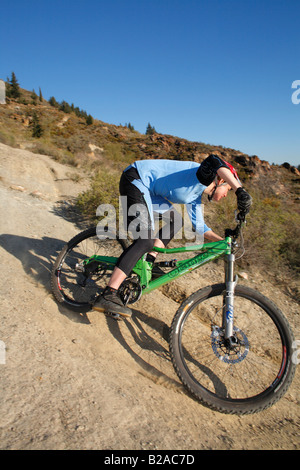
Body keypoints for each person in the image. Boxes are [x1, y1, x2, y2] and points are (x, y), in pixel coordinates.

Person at [92, 154, 252, 317]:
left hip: (150, 192)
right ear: (220, 180)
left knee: (177, 221)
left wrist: (224, 243)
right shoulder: (202, 175)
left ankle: (148, 261)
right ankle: (109, 294)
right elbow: (214, 161)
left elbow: (200, 228)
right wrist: (240, 190)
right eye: (228, 190)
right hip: (136, 178)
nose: (226, 194)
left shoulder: (194, 197)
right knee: (145, 240)